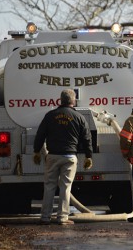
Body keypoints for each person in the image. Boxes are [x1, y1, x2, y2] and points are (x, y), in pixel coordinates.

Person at [33, 89, 93, 225]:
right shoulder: (79, 117)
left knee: (49, 186)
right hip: (70, 157)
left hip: (53, 156)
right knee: (65, 187)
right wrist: (89, 156)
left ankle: (45, 217)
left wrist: (36, 151)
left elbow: (40, 135)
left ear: (60, 100)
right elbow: (87, 138)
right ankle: (62, 217)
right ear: (74, 100)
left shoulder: (50, 116)